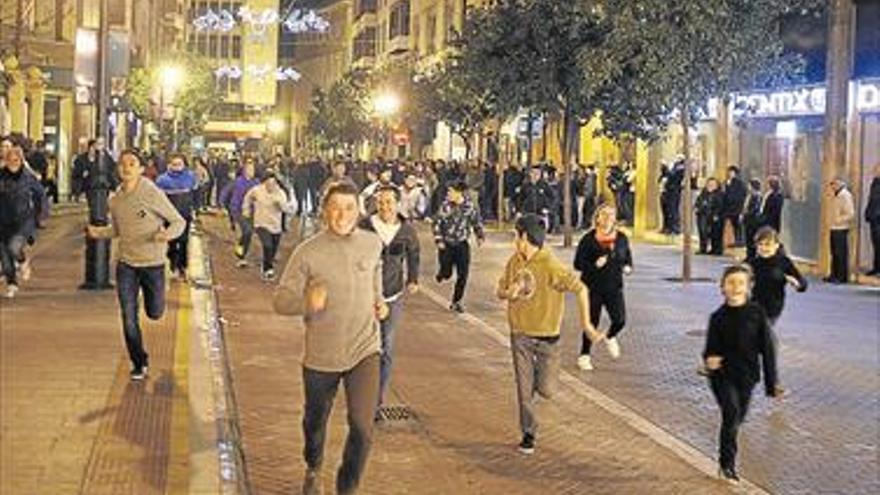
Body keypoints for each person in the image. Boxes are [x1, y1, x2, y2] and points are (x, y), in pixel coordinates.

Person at [273, 182, 388, 495]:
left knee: (363, 428)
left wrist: (379, 300)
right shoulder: (308, 251)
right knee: (315, 422)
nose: (342, 215)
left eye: (349, 208)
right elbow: (280, 300)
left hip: (365, 349)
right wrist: (307, 302)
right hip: (322, 355)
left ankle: (346, 487)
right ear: (325, 210)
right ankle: (313, 464)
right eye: (336, 207)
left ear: (359, 210)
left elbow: (375, 274)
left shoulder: (371, 243)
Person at [497, 214, 604, 454]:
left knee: (546, 390)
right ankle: (528, 432)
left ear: (525, 236)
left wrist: (587, 325)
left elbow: (581, 289)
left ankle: (536, 379)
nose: (515, 240)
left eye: (517, 235)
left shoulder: (550, 265)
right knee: (523, 391)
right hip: (520, 335)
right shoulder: (514, 262)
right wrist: (508, 293)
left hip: (547, 339)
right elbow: (500, 289)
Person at [85, 150, 186, 380]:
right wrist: (97, 232)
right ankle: (139, 362)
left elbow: (178, 221)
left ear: (141, 169)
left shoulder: (151, 192)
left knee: (155, 312)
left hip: (153, 264)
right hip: (127, 265)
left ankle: (155, 304)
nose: (126, 168)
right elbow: (118, 230)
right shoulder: (115, 199)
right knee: (128, 316)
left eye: (132, 164)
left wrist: (166, 235)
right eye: (122, 164)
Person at [702, 264, 783, 484]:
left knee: (738, 418)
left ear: (749, 287)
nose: (736, 287)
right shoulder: (717, 317)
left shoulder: (756, 314)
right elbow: (709, 350)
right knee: (731, 413)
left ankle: (727, 453)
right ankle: (726, 464)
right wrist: (710, 360)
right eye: (730, 282)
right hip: (722, 376)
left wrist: (771, 383)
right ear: (722, 288)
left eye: (740, 283)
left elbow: (768, 350)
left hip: (747, 376)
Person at [358, 186, 420, 407]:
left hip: (393, 295)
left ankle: (376, 400)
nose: (384, 207)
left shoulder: (407, 231)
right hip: (365, 296)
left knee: (386, 347)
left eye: (389, 202)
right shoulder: (365, 226)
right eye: (381, 202)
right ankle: (361, 391)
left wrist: (413, 279)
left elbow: (414, 254)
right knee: (364, 347)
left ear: (397, 204)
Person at [573, 204, 633, 371]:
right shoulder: (588, 239)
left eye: (611, 215)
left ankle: (610, 336)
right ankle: (584, 355)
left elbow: (627, 256)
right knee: (591, 323)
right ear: (597, 218)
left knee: (620, 320)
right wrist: (594, 265)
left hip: (614, 287)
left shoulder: (621, 238)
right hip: (592, 288)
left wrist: (628, 266)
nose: (608, 218)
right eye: (604, 214)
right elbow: (577, 264)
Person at [0, 146, 45, 298]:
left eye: (16, 160)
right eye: (10, 160)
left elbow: (40, 195)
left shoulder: (28, 177)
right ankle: (12, 284)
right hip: (3, 222)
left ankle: (23, 261)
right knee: (5, 259)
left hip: (22, 221)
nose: (13, 163)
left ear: (21, 160)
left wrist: (40, 215)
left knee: (14, 247)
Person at [433, 181, 485, 313]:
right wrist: (439, 240)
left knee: (463, 274)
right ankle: (443, 273)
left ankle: (456, 301)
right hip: (446, 244)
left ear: (458, 193)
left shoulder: (469, 206)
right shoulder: (445, 206)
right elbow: (436, 224)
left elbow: (476, 221)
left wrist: (480, 236)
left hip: (462, 244)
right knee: (447, 273)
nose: (448, 194)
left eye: (451, 191)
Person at [746, 227, 807, 326]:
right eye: (760, 244)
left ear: (776, 245)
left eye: (767, 244)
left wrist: (797, 284)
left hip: (773, 306)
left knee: (764, 329)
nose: (764, 248)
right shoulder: (752, 263)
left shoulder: (784, 262)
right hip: (754, 303)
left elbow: (802, 283)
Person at [242, 171, 295, 280]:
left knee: (273, 248)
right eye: (268, 184)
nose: (270, 186)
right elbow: (247, 198)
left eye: (273, 184)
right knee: (267, 245)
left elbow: (288, 209)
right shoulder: (257, 190)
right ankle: (268, 269)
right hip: (261, 224)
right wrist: (246, 210)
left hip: (275, 226)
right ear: (264, 182)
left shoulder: (280, 193)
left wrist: (280, 205)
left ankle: (268, 262)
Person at [156, 153, 198, 280]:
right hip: (169, 216)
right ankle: (172, 266)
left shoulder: (190, 178)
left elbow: (195, 195)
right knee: (171, 241)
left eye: (179, 164)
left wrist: (195, 209)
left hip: (184, 214)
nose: (176, 167)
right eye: (174, 164)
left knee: (184, 241)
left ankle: (182, 267)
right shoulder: (162, 180)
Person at [221, 159, 260, 268]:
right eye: (249, 169)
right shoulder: (237, 182)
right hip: (237, 210)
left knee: (248, 234)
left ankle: (242, 252)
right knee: (246, 231)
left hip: (251, 212)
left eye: (253, 169)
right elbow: (225, 192)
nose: (251, 171)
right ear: (244, 170)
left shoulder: (256, 183)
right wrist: (222, 205)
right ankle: (240, 256)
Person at [825, 178, 855, 284]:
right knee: (834, 253)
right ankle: (834, 274)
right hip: (833, 227)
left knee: (840, 253)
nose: (832, 187)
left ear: (840, 184)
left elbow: (850, 213)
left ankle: (841, 277)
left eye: (834, 184)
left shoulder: (845, 195)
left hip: (841, 228)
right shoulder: (836, 195)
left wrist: (838, 220)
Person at [696, 178, 724, 255]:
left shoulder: (719, 194)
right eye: (709, 184)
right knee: (703, 232)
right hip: (703, 215)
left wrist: (716, 214)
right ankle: (703, 248)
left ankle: (716, 249)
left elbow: (720, 205)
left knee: (715, 233)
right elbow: (698, 202)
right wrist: (698, 208)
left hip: (714, 216)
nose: (710, 186)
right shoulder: (703, 193)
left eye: (713, 184)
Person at [722, 166, 748, 247]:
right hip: (728, 208)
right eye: (729, 172)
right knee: (731, 225)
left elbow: (740, 196)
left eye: (732, 172)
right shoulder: (726, 182)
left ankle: (739, 241)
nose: (730, 174)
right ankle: (731, 240)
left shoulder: (740, 184)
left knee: (738, 226)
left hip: (736, 208)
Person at [864, 165, 880, 276]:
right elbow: (871, 199)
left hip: (879, 217)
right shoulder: (874, 182)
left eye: (877, 169)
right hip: (873, 217)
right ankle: (876, 267)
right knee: (875, 244)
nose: (874, 171)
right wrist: (868, 212)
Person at [742, 179, 763, 260]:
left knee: (751, 238)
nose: (748, 187)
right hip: (747, 220)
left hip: (753, 220)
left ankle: (752, 256)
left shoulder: (757, 196)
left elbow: (755, 209)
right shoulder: (749, 195)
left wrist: (747, 214)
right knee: (747, 238)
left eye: (749, 185)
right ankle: (749, 255)